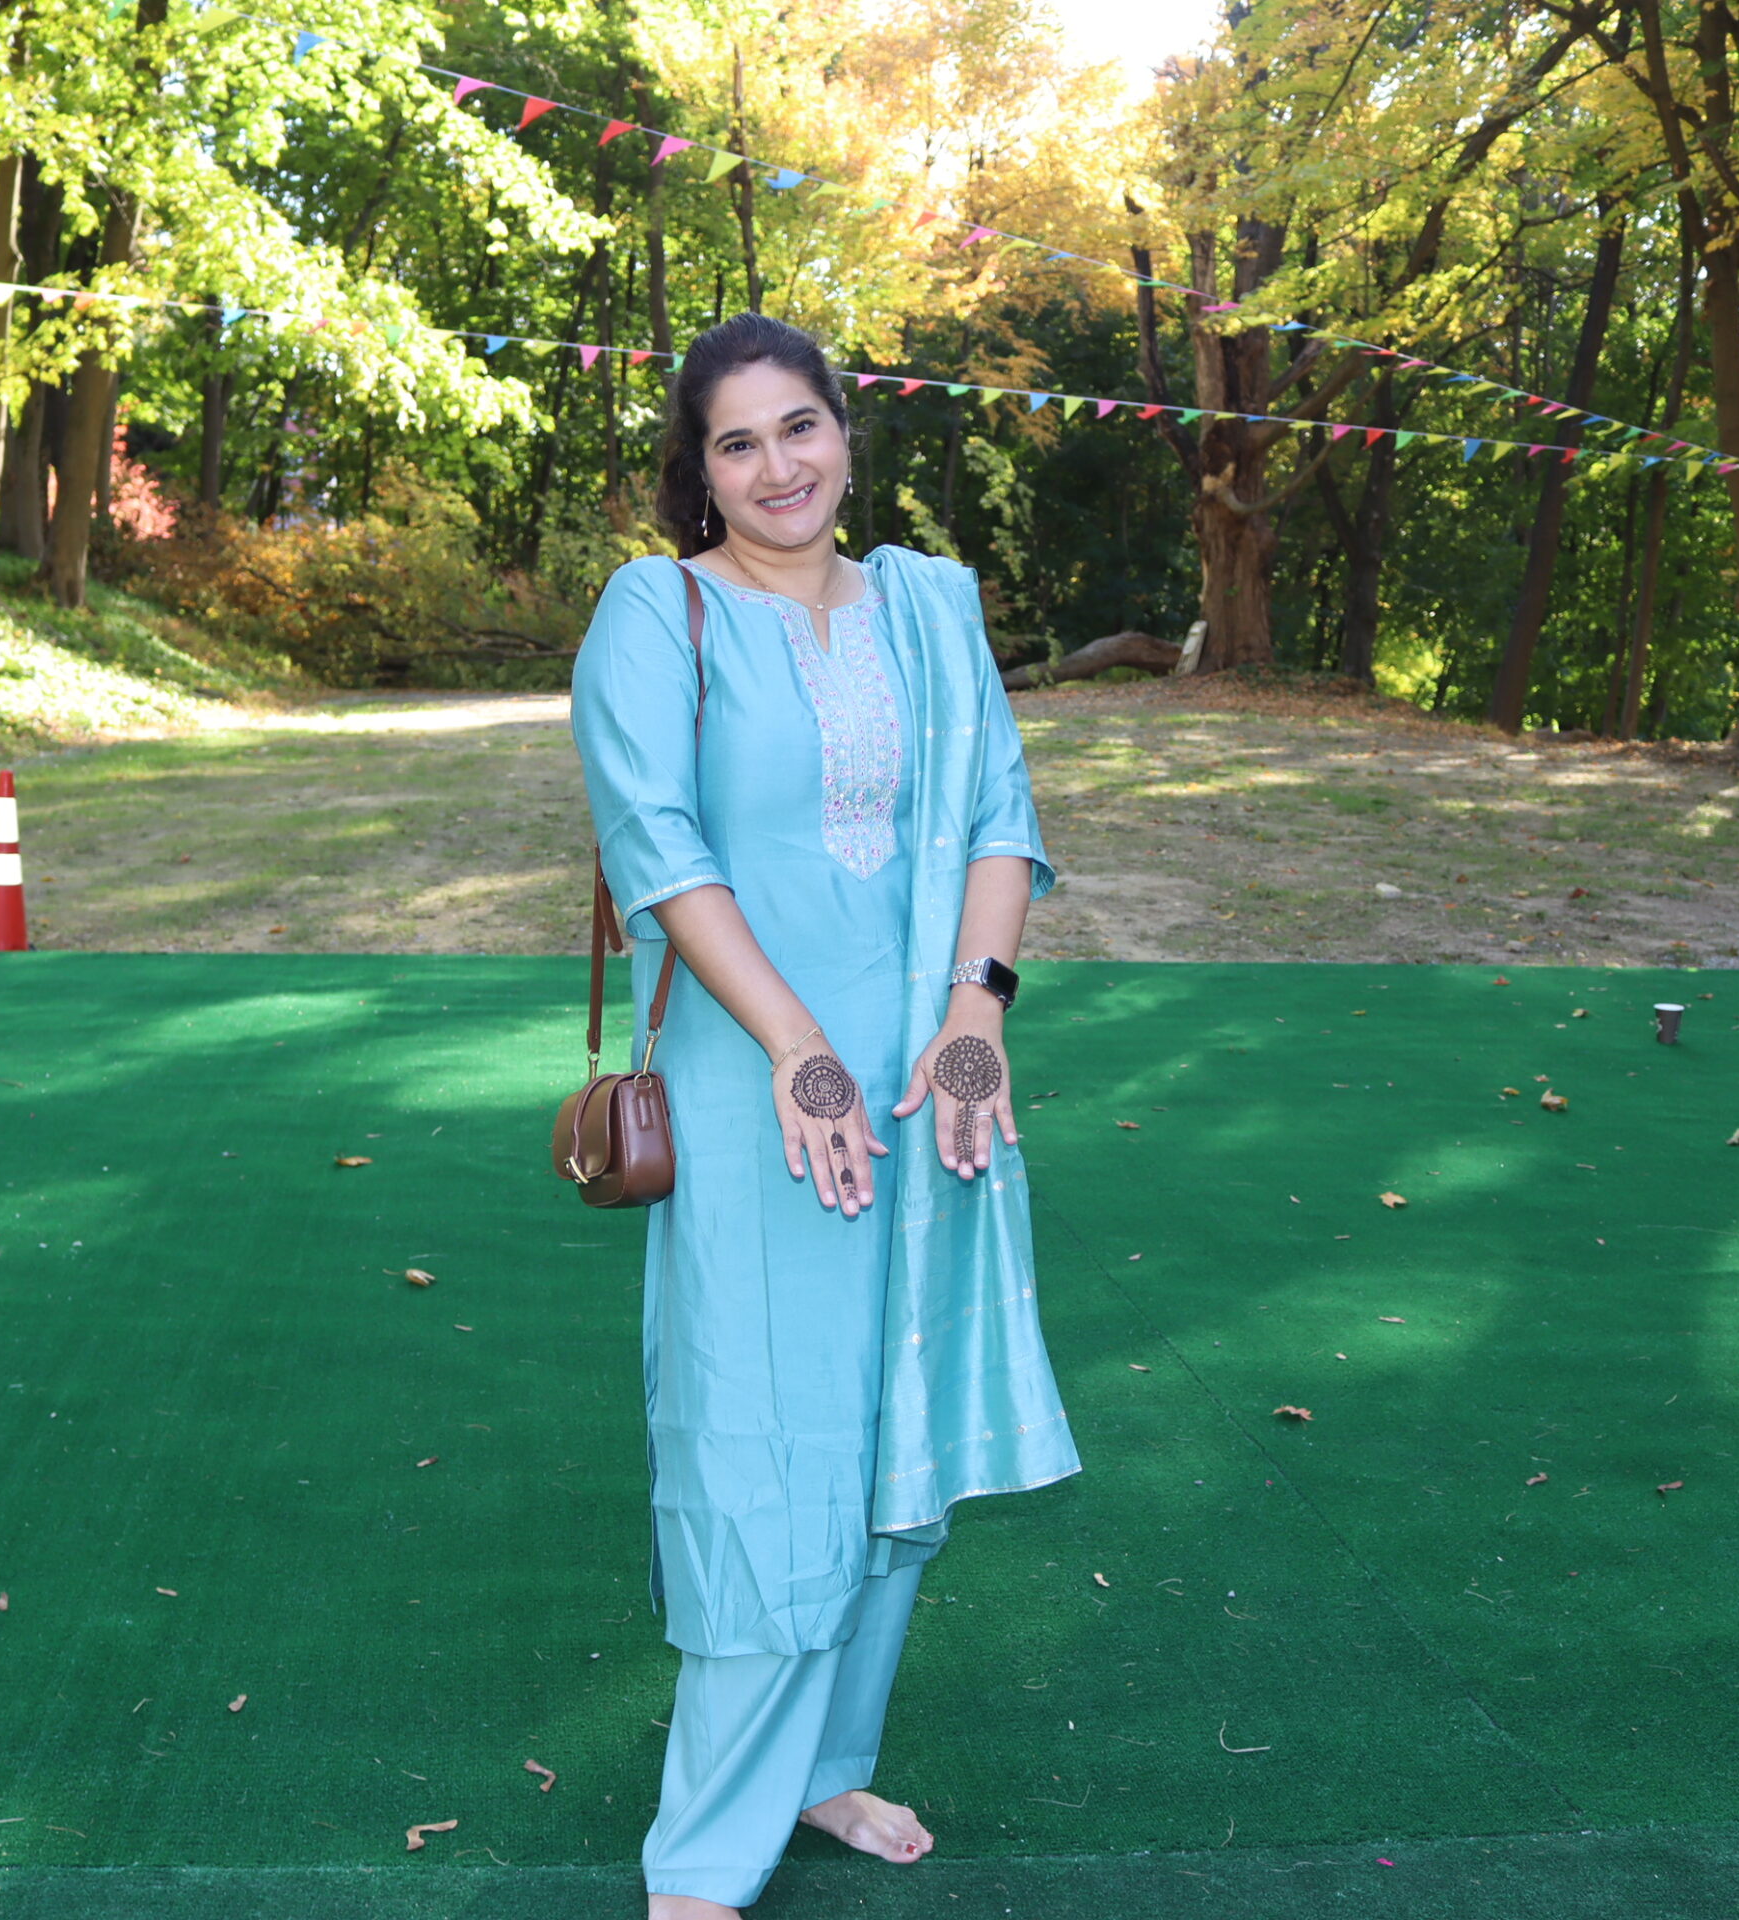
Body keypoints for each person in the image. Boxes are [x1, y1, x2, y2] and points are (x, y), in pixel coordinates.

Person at [569, 312, 1082, 1917]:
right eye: (737, 442)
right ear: (699, 470)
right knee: (762, 1445)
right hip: (760, 1079)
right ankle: (702, 1855)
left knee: (889, 1434)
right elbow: (657, 846)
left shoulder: (929, 605)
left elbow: (997, 814)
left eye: (800, 426)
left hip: (928, 1080)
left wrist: (976, 1018)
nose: (777, 466)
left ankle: (825, 1766)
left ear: (846, 434)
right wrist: (798, 1050)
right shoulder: (658, 612)